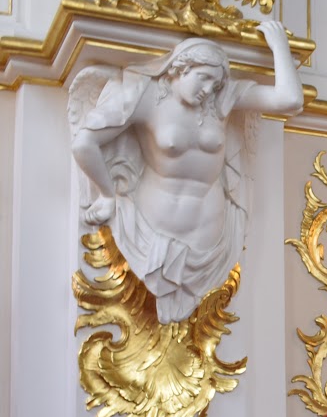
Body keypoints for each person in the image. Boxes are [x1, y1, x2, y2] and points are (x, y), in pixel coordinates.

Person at [68, 19, 301, 323]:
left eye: (215, 84)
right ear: (180, 68)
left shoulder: (221, 100)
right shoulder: (146, 96)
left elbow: (289, 100)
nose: (208, 90)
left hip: (212, 243)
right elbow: (84, 143)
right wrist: (106, 195)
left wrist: (279, 47)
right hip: (152, 237)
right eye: (203, 79)